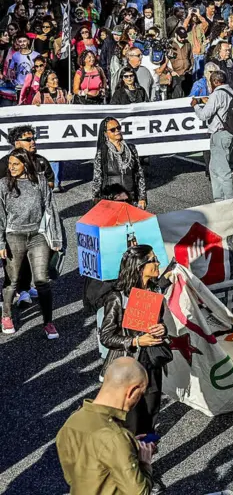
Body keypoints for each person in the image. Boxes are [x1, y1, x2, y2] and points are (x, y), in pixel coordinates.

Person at [56, 358, 155, 495]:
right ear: (132, 391)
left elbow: (73, 476)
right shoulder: (116, 437)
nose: (139, 400)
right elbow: (139, 492)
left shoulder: (71, 423)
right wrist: (145, 463)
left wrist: (129, 446)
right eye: (140, 394)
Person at [98, 245, 169, 437]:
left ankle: (147, 448)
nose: (158, 263)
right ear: (139, 267)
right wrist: (137, 341)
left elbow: (160, 322)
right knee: (131, 420)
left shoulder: (154, 291)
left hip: (151, 362)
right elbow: (106, 336)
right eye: (153, 260)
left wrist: (163, 329)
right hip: (128, 366)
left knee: (151, 410)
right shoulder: (117, 297)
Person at [0, 148, 63, 337]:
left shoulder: (40, 181)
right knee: (12, 281)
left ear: (25, 164)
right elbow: (0, 215)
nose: (11, 168)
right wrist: (1, 243)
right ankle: (6, 316)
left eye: (15, 164)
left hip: (37, 236)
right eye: (10, 164)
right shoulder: (3, 184)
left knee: (42, 281)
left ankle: (48, 322)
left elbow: (51, 208)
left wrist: (56, 238)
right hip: (13, 236)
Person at [192, 69, 233, 201]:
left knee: (222, 170)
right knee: (214, 169)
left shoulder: (217, 94)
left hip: (219, 133)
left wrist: (196, 106)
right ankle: (219, 199)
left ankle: (228, 200)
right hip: (229, 132)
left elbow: (204, 115)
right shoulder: (231, 91)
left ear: (215, 82)